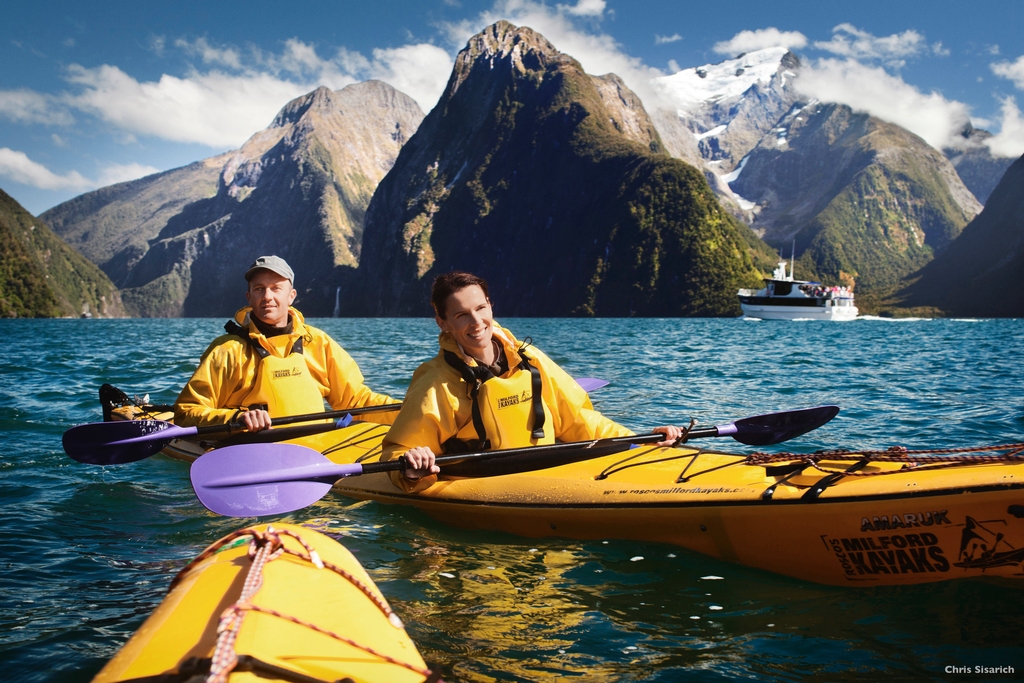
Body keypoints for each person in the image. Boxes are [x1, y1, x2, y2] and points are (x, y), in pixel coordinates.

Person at [384, 271, 684, 491]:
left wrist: (640, 441)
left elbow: (578, 419)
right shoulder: (436, 382)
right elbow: (399, 450)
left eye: (480, 309)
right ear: (443, 323)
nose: (476, 323)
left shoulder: (530, 360)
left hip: (549, 473)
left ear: (490, 306)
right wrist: (412, 468)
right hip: (481, 483)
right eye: (461, 315)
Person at [175, 255, 396, 431]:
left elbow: (356, 400)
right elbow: (186, 412)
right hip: (248, 446)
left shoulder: (317, 342)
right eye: (259, 289)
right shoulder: (228, 350)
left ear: (291, 296)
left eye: (276, 288)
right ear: (249, 297)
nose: (267, 296)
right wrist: (236, 418)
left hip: (317, 446)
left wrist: (406, 411)